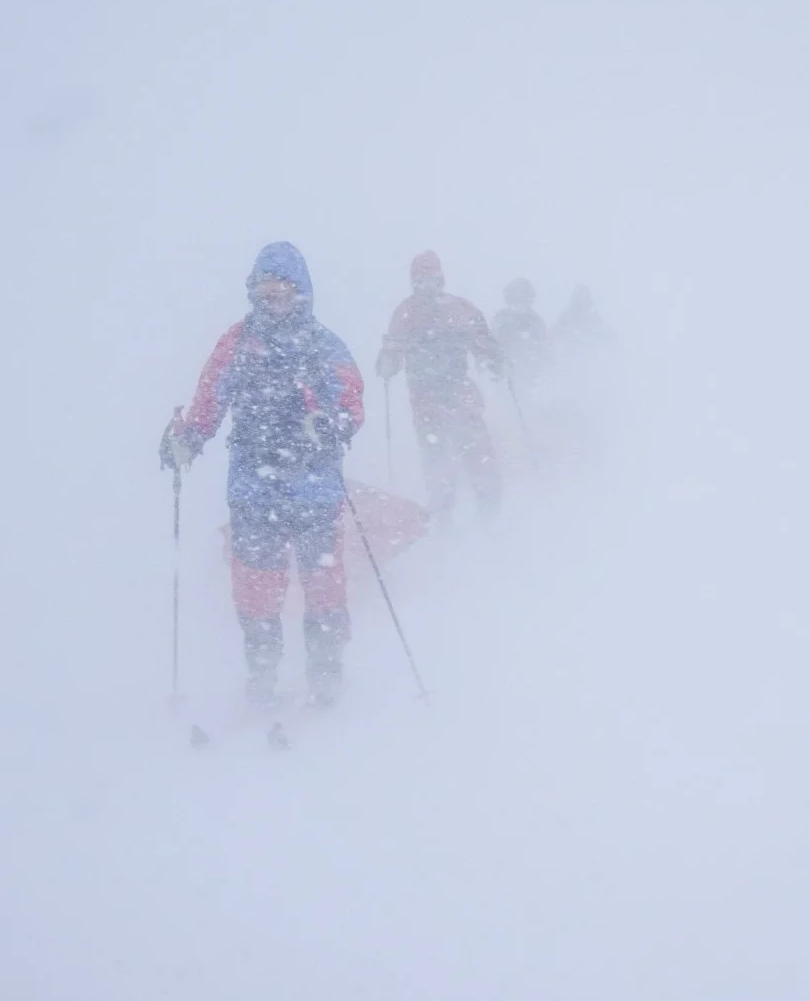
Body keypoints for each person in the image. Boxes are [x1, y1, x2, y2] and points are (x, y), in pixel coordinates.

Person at [160, 241, 364, 710]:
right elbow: (210, 398)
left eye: (281, 293)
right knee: (255, 584)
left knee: (323, 583)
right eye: (264, 294)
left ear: (301, 294)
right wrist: (188, 438)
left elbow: (350, 397)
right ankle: (263, 671)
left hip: (314, 483)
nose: (272, 303)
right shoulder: (238, 342)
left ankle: (327, 670)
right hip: (255, 484)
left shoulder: (322, 344)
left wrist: (338, 423)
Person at [377, 250, 505, 523]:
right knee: (438, 461)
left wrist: (494, 359)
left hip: (458, 393)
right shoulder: (406, 313)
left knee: (477, 452)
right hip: (426, 399)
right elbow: (392, 353)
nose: (427, 284)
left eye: (432, 277)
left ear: (441, 278)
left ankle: (489, 512)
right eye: (421, 279)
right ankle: (445, 516)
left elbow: (481, 340)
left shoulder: (458, 309)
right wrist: (387, 361)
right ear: (414, 281)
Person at [492, 277, 548, 387]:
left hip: (529, 374)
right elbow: (492, 343)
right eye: (516, 301)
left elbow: (543, 347)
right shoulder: (500, 319)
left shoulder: (535, 321)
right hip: (506, 373)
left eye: (523, 301)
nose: (519, 305)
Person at [553, 284, 614, 354]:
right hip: (568, 355)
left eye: (585, 303)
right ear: (573, 303)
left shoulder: (595, 320)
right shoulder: (564, 319)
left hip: (590, 356)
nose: (582, 308)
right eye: (578, 305)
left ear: (589, 303)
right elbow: (557, 339)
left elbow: (601, 340)